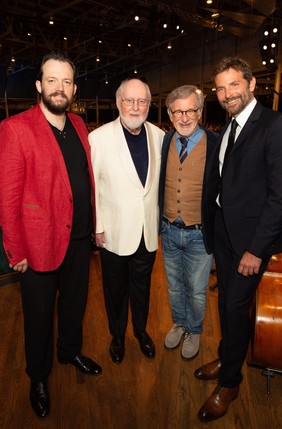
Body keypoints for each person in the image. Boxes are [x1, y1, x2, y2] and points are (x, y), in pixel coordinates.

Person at [0, 52, 101, 419]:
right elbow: (6, 199)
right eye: (52, 80)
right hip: (38, 245)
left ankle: (69, 351)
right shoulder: (16, 128)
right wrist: (14, 249)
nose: (60, 88)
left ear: (74, 88)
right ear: (39, 86)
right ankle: (38, 376)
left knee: (75, 305)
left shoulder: (80, 124)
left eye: (66, 81)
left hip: (79, 239)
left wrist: (94, 226)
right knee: (38, 317)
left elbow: (84, 181)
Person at [194, 57, 282, 422]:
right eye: (220, 89)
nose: (226, 94)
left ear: (252, 84)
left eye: (233, 85)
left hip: (250, 241)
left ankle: (229, 382)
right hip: (223, 230)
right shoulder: (227, 127)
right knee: (225, 304)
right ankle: (227, 355)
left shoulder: (276, 125)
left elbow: (280, 196)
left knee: (236, 309)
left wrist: (256, 248)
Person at [89, 78, 164, 364]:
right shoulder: (99, 138)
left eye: (141, 101)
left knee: (142, 289)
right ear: (119, 102)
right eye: (129, 101)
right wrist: (97, 227)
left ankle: (141, 332)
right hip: (113, 234)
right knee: (115, 291)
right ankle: (117, 337)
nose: (135, 107)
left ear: (149, 104)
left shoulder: (159, 136)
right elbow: (93, 187)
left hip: (147, 232)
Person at [158, 85, 218, 360]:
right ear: (170, 114)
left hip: (199, 234)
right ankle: (179, 323)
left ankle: (194, 329)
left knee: (196, 291)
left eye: (191, 110)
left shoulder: (216, 144)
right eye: (178, 111)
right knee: (174, 286)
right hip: (169, 230)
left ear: (200, 111)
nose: (184, 117)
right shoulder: (164, 141)